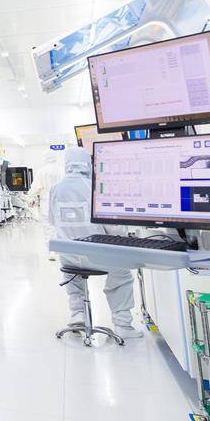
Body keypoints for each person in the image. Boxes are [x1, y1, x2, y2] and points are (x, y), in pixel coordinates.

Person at [47, 145, 142, 339]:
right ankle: (122, 324)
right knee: (122, 274)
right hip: (97, 256)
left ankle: (77, 314)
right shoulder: (96, 188)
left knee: (72, 276)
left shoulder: (55, 189)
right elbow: (114, 229)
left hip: (68, 256)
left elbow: (52, 220)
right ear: (88, 164)